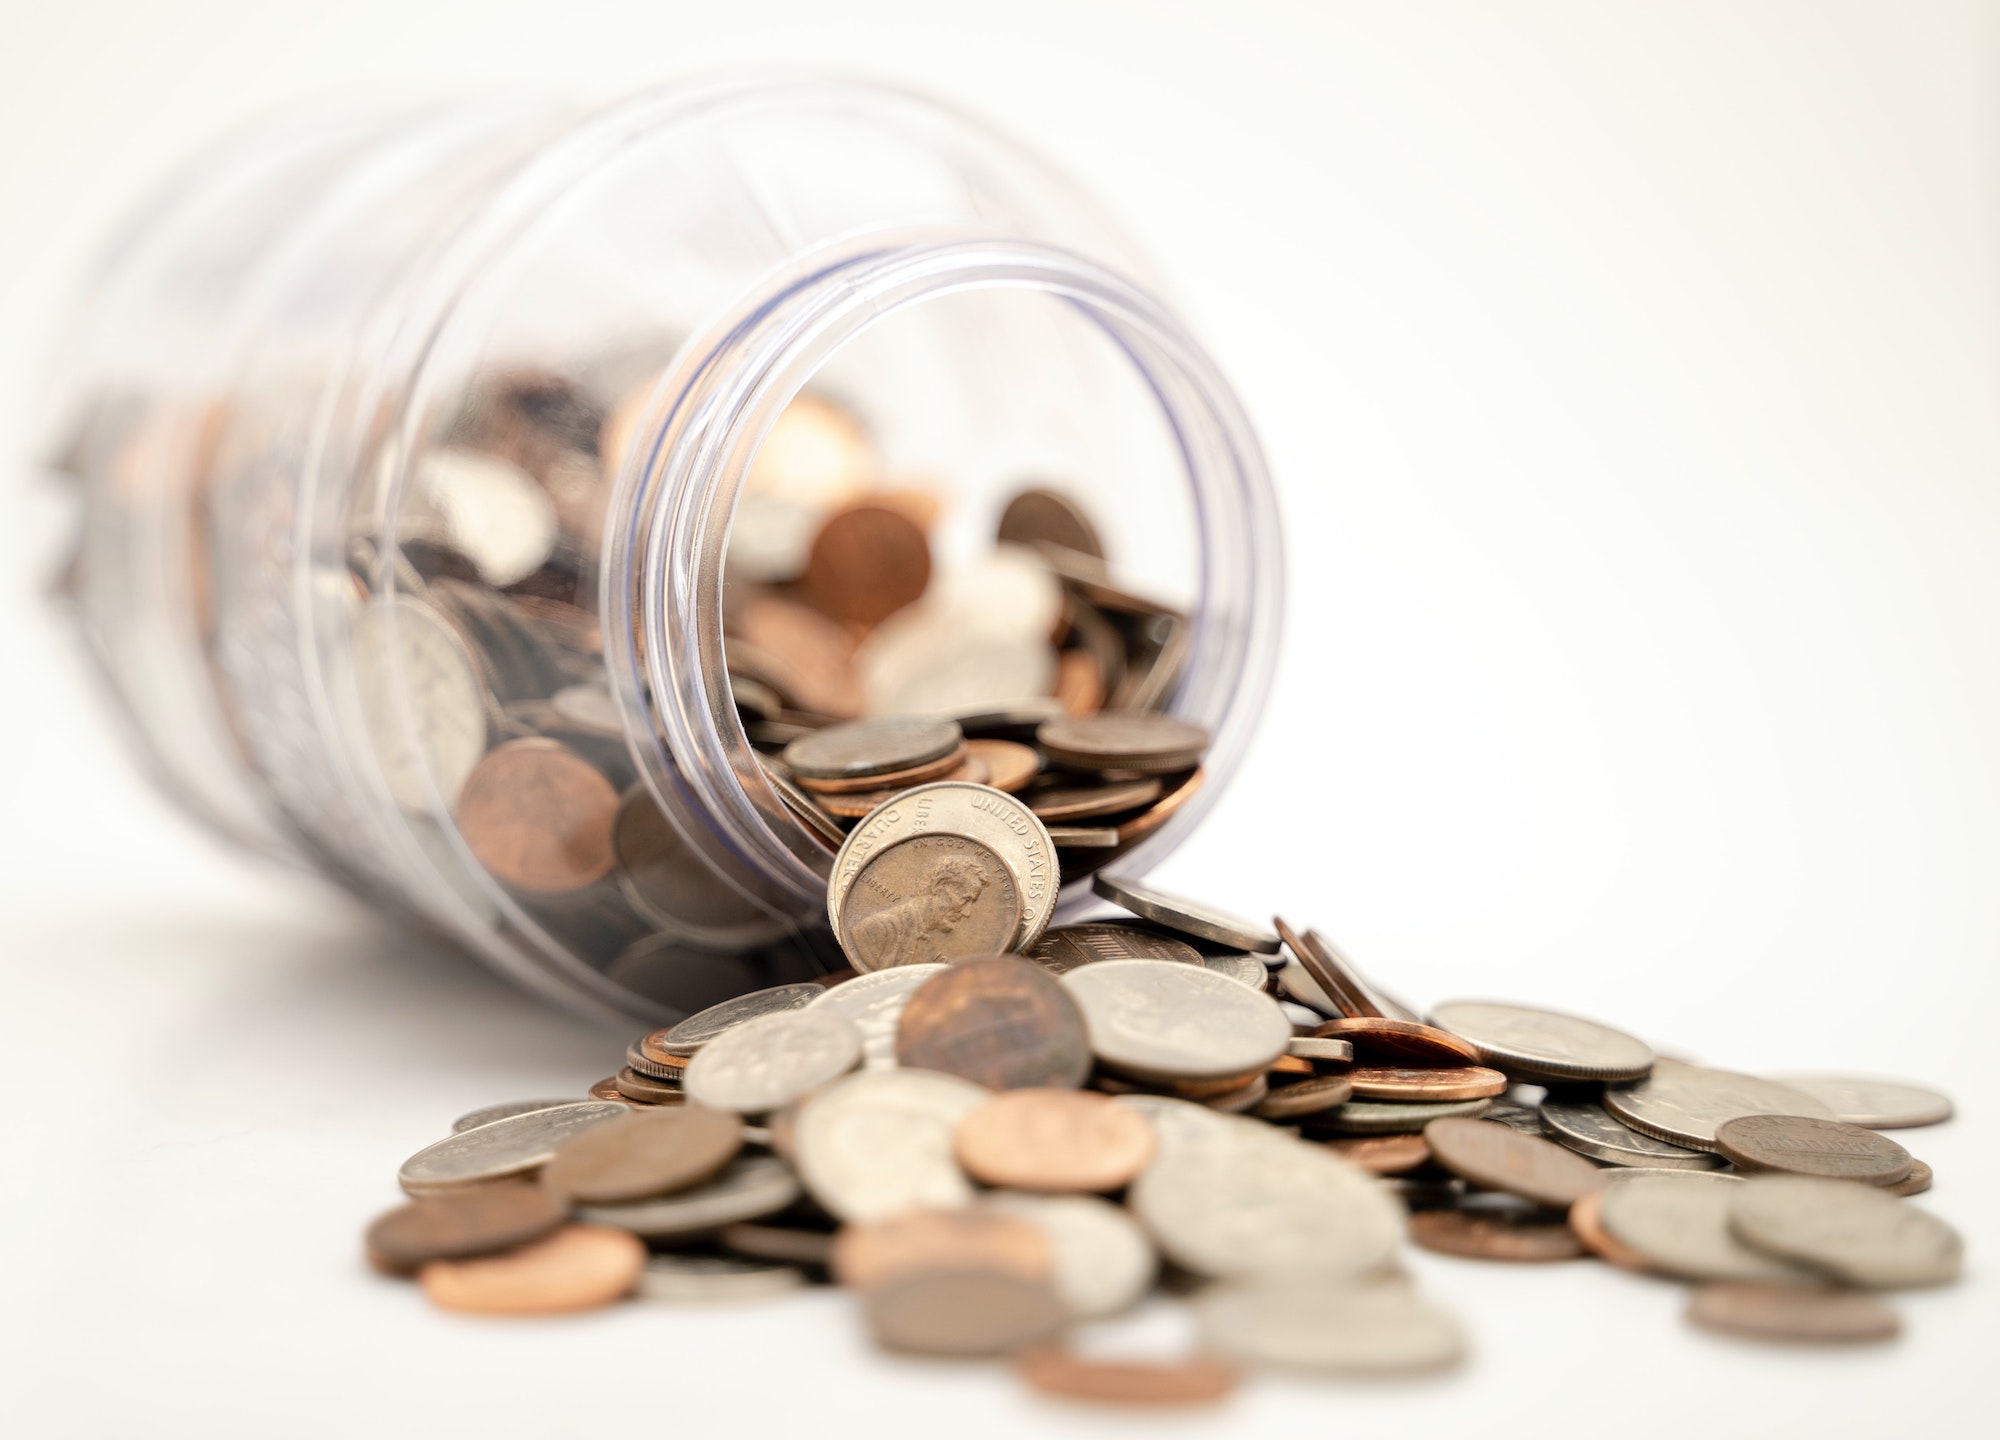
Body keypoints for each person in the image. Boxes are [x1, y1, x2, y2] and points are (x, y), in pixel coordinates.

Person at [849, 852, 992, 968]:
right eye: (965, 899)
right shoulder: (877, 928)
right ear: (938, 887)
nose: (967, 912)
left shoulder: (922, 937)